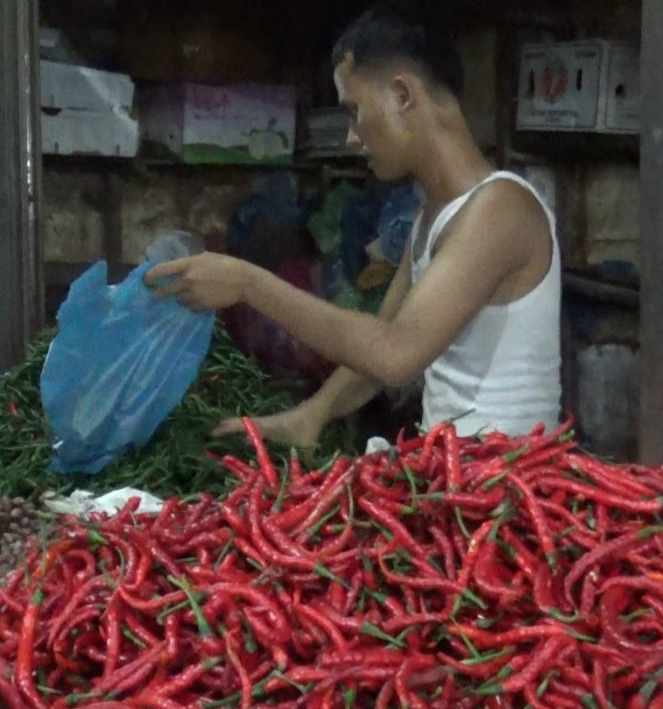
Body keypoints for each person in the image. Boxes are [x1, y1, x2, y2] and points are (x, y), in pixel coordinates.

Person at [145, 0, 562, 447]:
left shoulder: (500, 209)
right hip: (457, 477)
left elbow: (395, 354)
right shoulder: (433, 217)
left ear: (403, 96)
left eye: (354, 110)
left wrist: (249, 285)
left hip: (509, 487)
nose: (350, 136)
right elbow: (374, 355)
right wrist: (311, 415)